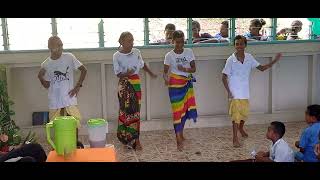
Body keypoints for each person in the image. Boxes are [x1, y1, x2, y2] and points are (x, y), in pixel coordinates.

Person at [222, 35, 282, 147]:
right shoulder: (231, 60)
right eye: (237, 44)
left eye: (241, 44)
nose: (239, 46)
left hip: (245, 92)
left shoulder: (249, 57)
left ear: (245, 45)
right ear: (234, 46)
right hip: (234, 93)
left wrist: (275, 60)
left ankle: (241, 128)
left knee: (244, 115)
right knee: (236, 117)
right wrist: (229, 91)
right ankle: (235, 138)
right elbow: (223, 77)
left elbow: (262, 68)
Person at [37, 36, 87, 149]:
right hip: (55, 101)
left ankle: (74, 145)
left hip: (69, 98)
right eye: (57, 45)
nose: (60, 47)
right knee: (58, 127)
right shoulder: (46, 64)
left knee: (74, 124)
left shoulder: (69, 57)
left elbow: (84, 70)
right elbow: (47, 85)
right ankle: (61, 146)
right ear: (50, 47)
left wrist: (77, 87)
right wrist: (40, 78)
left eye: (61, 45)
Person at [113, 31, 157, 150]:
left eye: (132, 40)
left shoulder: (137, 52)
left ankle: (137, 140)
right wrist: (126, 73)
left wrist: (151, 73)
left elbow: (142, 65)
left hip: (135, 84)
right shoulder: (116, 55)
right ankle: (125, 138)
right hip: (124, 84)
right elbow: (118, 74)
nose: (131, 43)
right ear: (121, 42)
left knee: (135, 111)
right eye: (128, 40)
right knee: (124, 111)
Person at [163, 30, 198, 151]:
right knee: (177, 112)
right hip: (174, 86)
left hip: (187, 85)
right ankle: (178, 138)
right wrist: (166, 79)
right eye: (177, 42)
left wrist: (185, 69)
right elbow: (165, 72)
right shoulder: (169, 55)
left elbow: (194, 69)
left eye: (182, 42)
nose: (180, 44)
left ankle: (181, 132)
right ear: (173, 41)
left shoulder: (189, 52)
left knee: (184, 110)